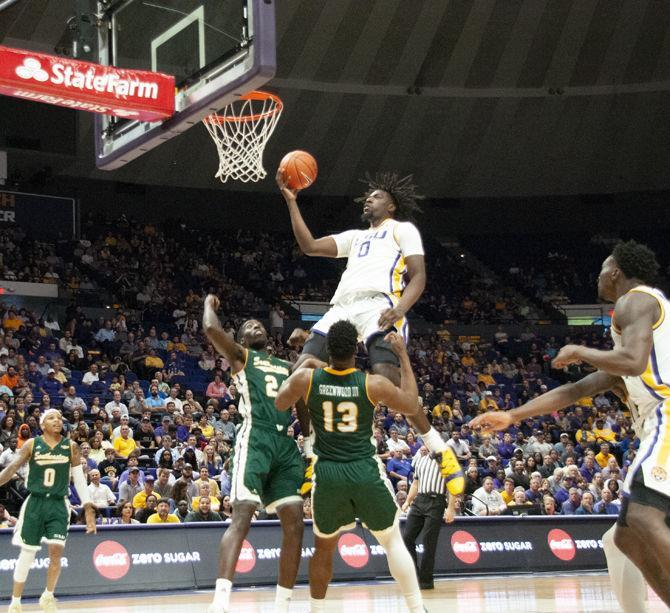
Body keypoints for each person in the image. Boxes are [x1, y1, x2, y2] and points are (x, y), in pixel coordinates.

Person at [471, 240, 666, 612]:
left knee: (641, 517)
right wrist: (513, 416)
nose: (597, 275)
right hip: (656, 423)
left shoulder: (635, 300)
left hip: (666, 415)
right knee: (622, 539)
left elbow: (633, 361)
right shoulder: (638, 320)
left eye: (602, 268)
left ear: (616, 272)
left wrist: (578, 350)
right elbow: (577, 389)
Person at [277, 169, 463, 489]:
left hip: (381, 305)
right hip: (342, 308)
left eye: (375, 196)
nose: (368, 199)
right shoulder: (355, 236)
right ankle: (312, 452)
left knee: (389, 384)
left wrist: (400, 309)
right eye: (368, 196)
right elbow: (308, 245)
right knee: (299, 372)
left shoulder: (402, 230)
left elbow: (418, 276)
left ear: (390, 205)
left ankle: (438, 448)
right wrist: (291, 201)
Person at [275, 320, 426, 613]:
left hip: (328, 473)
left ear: (328, 350)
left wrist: (303, 362)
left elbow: (281, 402)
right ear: (356, 351)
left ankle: (316, 611)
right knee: (392, 540)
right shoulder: (372, 383)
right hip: (364, 469)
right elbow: (410, 404)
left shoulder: (308, 379)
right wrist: (403, 356)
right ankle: (417, 608)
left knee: (323, 549)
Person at [202, 295, 304, 613]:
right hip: (255, 436)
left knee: (296, 523)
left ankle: (283, 604)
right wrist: (208, 303)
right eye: (248, 326)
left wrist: (310, 439)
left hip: (285, 445)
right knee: (242, 518)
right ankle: (220, 603)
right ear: (243, 340)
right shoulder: (242, 357)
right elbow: (210, 328)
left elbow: (304, 396)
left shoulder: (287, 366)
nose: (255, 325)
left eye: (258, 323)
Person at [0, 409, 96, 613]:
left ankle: (47, 595)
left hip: (58, 503)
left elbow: (79, 479)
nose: (57, 421)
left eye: (60, 418)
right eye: (52, 418)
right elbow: (12, 468)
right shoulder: (32, 444)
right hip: (35, 502)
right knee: (27, 553)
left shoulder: (71, 446)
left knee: (56, 552)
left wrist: (88, 508)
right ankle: (16, 601)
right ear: (43, 424)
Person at [402, 446, 457, 590]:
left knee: (428, 541)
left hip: (436, 501)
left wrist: (450, 508)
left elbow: (452, 487)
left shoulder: (447, 461)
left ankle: (426, 581)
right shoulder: (421, 459)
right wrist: (408, 501)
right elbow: (415, 483)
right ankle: (414, 575)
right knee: (407, 538)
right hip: (419, 500)